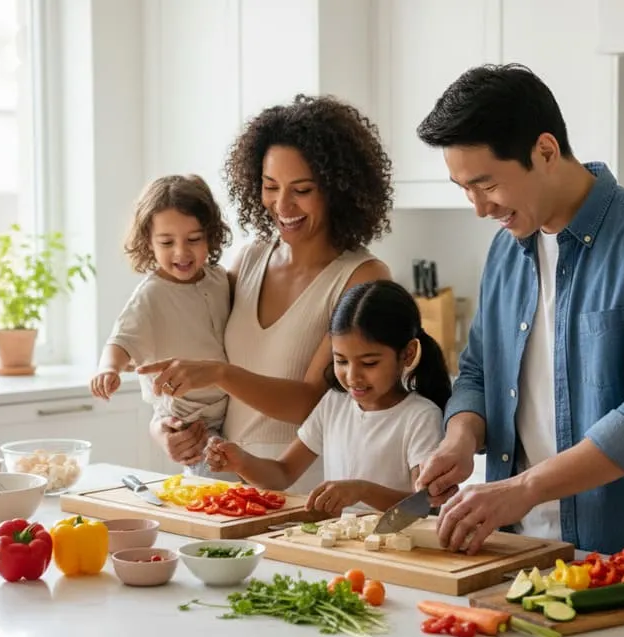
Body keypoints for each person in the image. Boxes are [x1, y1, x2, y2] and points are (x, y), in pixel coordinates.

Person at [413, 63, 624, 563]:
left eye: (486, 184)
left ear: (546, 151)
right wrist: (460, 439)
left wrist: (525, 487)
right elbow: (476, 373)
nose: (478, 207)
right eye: (462, 188)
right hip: (519, 551)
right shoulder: (505, 253)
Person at [137, 94, 393, 495]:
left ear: (338, 188)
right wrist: (163, 427)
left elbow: (310, 402)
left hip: (303, 487)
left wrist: (221, 374)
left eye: (302, 189)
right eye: (270, 186)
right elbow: (194, 354)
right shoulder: (249, 258)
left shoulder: (361, 277)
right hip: (218, 480)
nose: (282, 204)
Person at [205, 280, 452, 514]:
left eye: (369, 363)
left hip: (398, 552)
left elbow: (423, 506)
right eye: (341, 361)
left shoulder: (420, 416)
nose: (353, 376)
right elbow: (283, 474)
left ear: (408, 354)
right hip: (341, 547)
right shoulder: (335, 403)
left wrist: (363, 490)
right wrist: (242, 462)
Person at [90, 174, 233, 476]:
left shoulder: (219, 279)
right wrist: (109, 369)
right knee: (214, 501)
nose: (181, 252)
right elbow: (121, 339)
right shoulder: (151, 294)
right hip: (192, 426)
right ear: (148, 243)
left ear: (210, 235)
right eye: (167, 242)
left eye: (194, 239)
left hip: (229, 412)